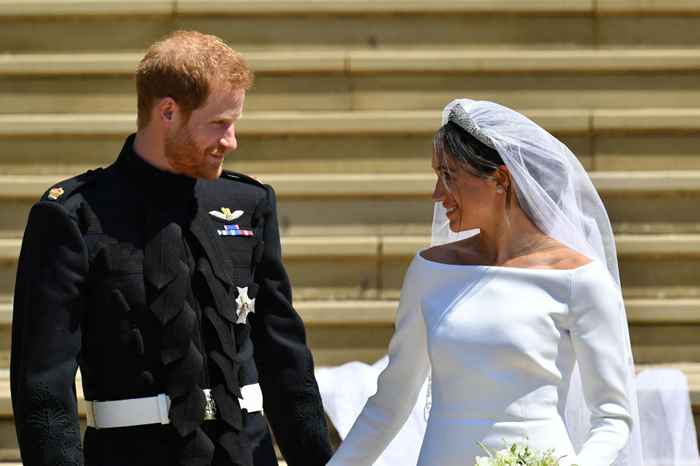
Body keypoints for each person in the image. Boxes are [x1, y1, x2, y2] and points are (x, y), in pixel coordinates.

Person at [10, 30, 333, 466]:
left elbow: (286, 362)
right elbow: (43, 389)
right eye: (219, 124)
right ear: (167, 112)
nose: (232, 141)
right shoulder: (74, 216)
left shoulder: (248, 204)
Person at [326, 99, 643, 466]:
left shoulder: (579, 281)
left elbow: (613, 417)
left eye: (449, 176)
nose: (437, 194)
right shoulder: (430, 271)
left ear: (500, 180)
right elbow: (390, 402)